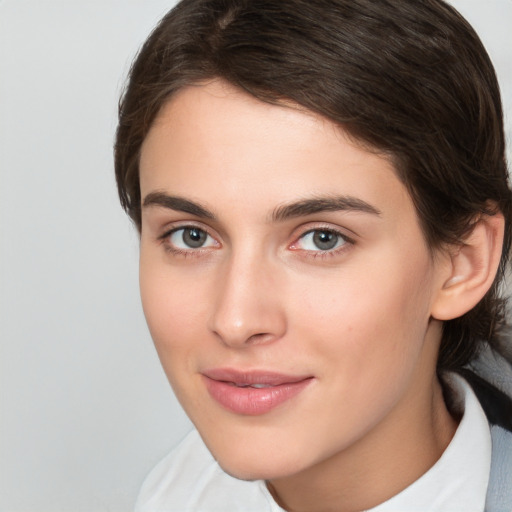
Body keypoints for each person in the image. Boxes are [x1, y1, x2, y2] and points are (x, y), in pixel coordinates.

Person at [114, 0, 512, 510]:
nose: (236, 321)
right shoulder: (178, 490)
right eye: (191, 236)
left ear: (463, 262)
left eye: (322, 239)